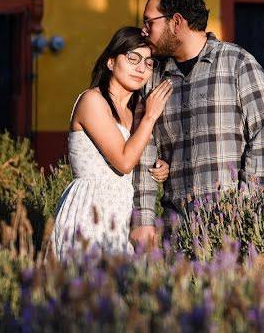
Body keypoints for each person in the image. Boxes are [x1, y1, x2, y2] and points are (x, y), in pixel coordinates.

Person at [130, 0, 264, 248]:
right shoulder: (152, 78)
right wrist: (143, 219)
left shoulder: (237, 63)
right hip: (175, 230)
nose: (144, 31)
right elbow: (145, 152)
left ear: (176, 22)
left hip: (233, 226)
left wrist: (245, 204)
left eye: (148, 22)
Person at [50, 27, 173, 259]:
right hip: (89, 211)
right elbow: (124, 161)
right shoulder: (92, 101)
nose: (141, 68)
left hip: (120, 215)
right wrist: (150, 116)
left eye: (148, 63)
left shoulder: (132, 112)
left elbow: (131, 156)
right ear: (110, 62)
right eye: (132, 58)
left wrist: (156, 166)